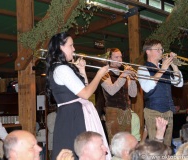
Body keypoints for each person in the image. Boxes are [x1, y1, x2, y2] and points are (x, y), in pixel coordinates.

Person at [45, 32, 110, 160]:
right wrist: (99, 75)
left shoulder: (61, 68)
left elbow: (83, 89)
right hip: (73, 115)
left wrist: (82, 71)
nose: (74, 49)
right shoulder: (61, 69)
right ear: (61, 47)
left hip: (73, 113)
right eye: (71, 45)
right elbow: (86, 94)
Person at [137, 39, 183, 146]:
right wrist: (162, 69)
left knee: (167, 146)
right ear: (148, 51)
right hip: (153, 111)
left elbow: (179, 83)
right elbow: (147, 87)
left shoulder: (165, 68)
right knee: (157, 145)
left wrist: (174, 65)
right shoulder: (143, 68)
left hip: (168, 111)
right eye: (157, 49)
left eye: (161, 49)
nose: (161, 51)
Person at [101, 48, 137, 143]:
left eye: (120, 57)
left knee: (127, 143)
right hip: (113, 112)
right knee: (115, 143)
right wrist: (124, 75)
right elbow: (111, 91)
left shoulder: (124, 74)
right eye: (116, 57)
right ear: (109, 59)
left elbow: (133, 94)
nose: (120, 59)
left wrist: (133, 79)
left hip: (126, 112)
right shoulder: (104, 73)